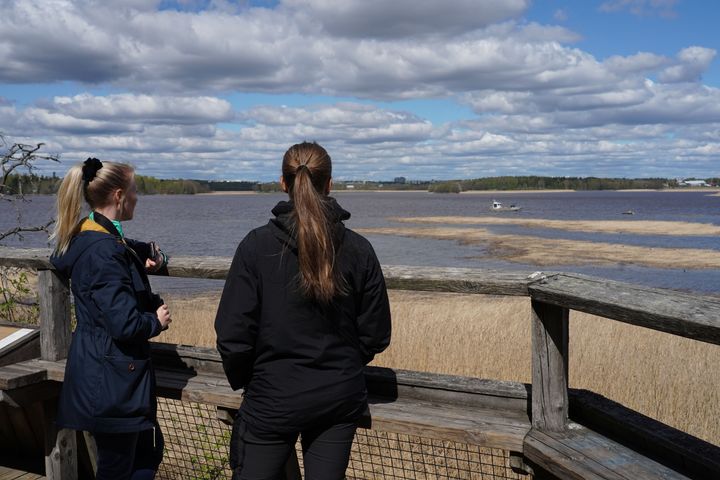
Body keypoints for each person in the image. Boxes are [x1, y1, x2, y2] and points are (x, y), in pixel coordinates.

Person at [215, 142, 392, 480]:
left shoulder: (256, 246)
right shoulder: (359, 249)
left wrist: (253, 380)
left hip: (272, 398)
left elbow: (233, 335)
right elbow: (376, 333)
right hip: (337, 400)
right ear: (329, 184)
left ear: (284, 183)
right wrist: (341, 365)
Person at [50, 158, 171, 480]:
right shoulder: (104, 252)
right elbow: (123, 323)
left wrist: (150, 253)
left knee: (141, 456)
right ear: (119, 196)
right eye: (134, 190)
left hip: (102, 370)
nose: (137, 197)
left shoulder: (87, 237)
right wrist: (155, 321)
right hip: (112, 377)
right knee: (124, 467)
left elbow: (112, 246)